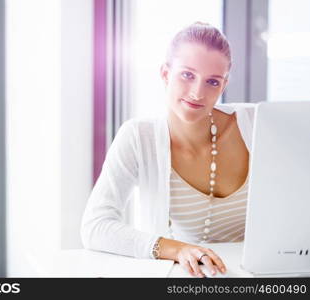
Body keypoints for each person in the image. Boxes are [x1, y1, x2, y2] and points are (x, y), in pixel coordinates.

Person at [81, 22, 255, 278]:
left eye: (212, 82)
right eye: (187, 75)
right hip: (185, 278)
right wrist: (178, 249)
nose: (197, 92)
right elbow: (95, 226)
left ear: (224, 85)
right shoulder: (139, 137)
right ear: (165, 74)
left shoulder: (255, 124)